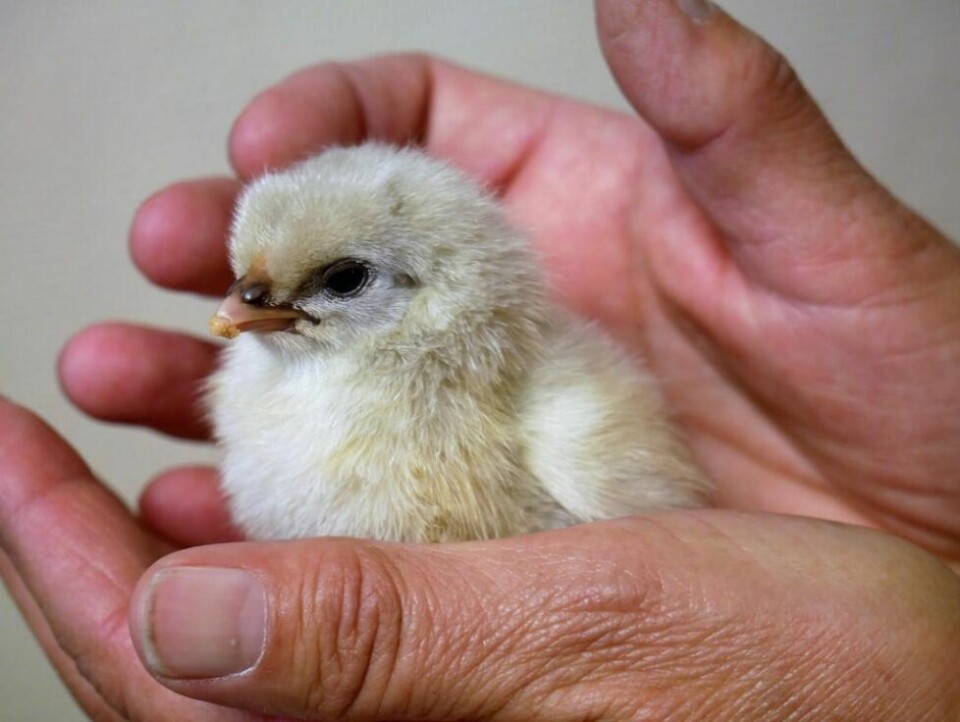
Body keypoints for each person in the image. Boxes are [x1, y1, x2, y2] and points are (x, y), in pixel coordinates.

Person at [2, 1, 958, 719]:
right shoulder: (258, 383)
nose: (251, 307)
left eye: (336, 281)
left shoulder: (568, 422)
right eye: (249, 281)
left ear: (440, 290)